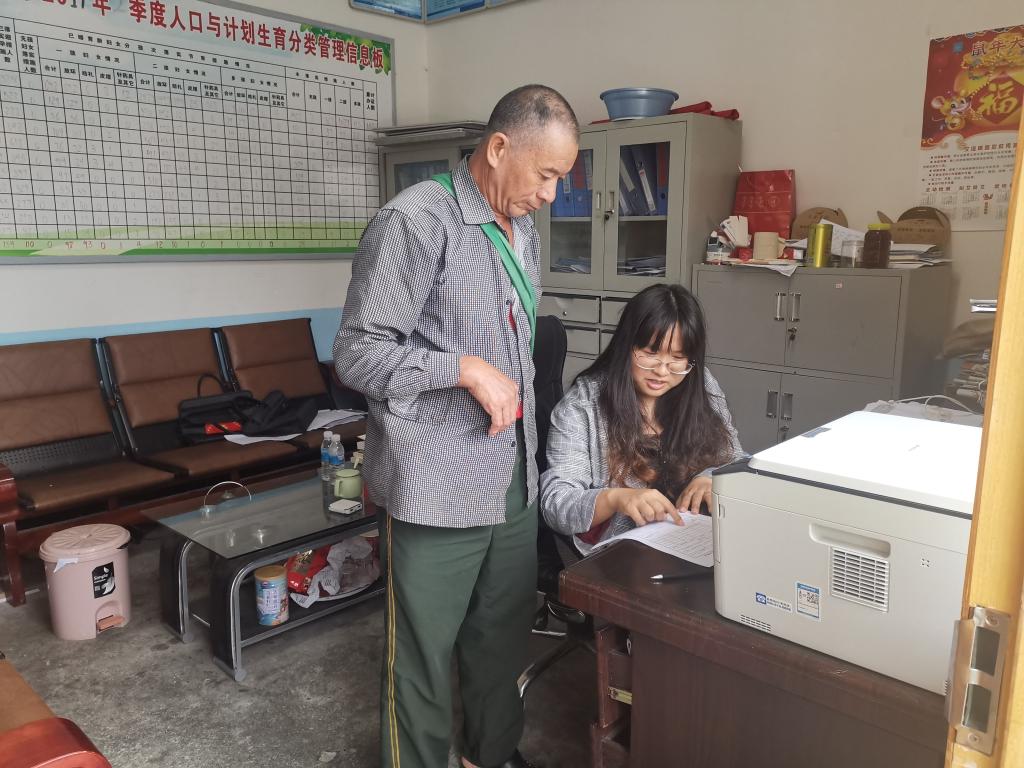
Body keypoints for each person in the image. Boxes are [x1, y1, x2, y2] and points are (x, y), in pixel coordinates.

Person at [333, 85, 579, 768]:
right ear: (499, 148)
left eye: (560, 179)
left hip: (513, 474)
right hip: (436, 484)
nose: (551, 195)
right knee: (422, 651)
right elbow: (356, 353)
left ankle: (489, 754)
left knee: (500, 634)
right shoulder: (416, 221)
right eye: (546, 174)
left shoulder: (523, 231)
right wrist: (462, 369)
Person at [540, 283, 745, 551]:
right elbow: (556, 504)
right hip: (621, 552)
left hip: (694, 539)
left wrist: (711, 477)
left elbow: (736, 459)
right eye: (650, 353)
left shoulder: (701, 384)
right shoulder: (582, 406)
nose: (662, 371)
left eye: (678, 358)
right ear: (626, 345)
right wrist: (616, 499)